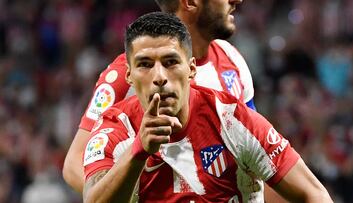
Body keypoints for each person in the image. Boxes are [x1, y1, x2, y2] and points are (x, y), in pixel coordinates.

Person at [82, 12, 333, 203]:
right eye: (145, 64)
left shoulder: (232, 121)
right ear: (129, 75)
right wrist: (138, 151)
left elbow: (314, 194)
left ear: (191, 69)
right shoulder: (114, 129)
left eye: (170, 62)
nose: (159, 76)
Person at [64, 0, 259, 194]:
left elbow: (257, 152)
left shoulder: (231, 58)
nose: (236, 1)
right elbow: (74, 163)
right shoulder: (128, 75)